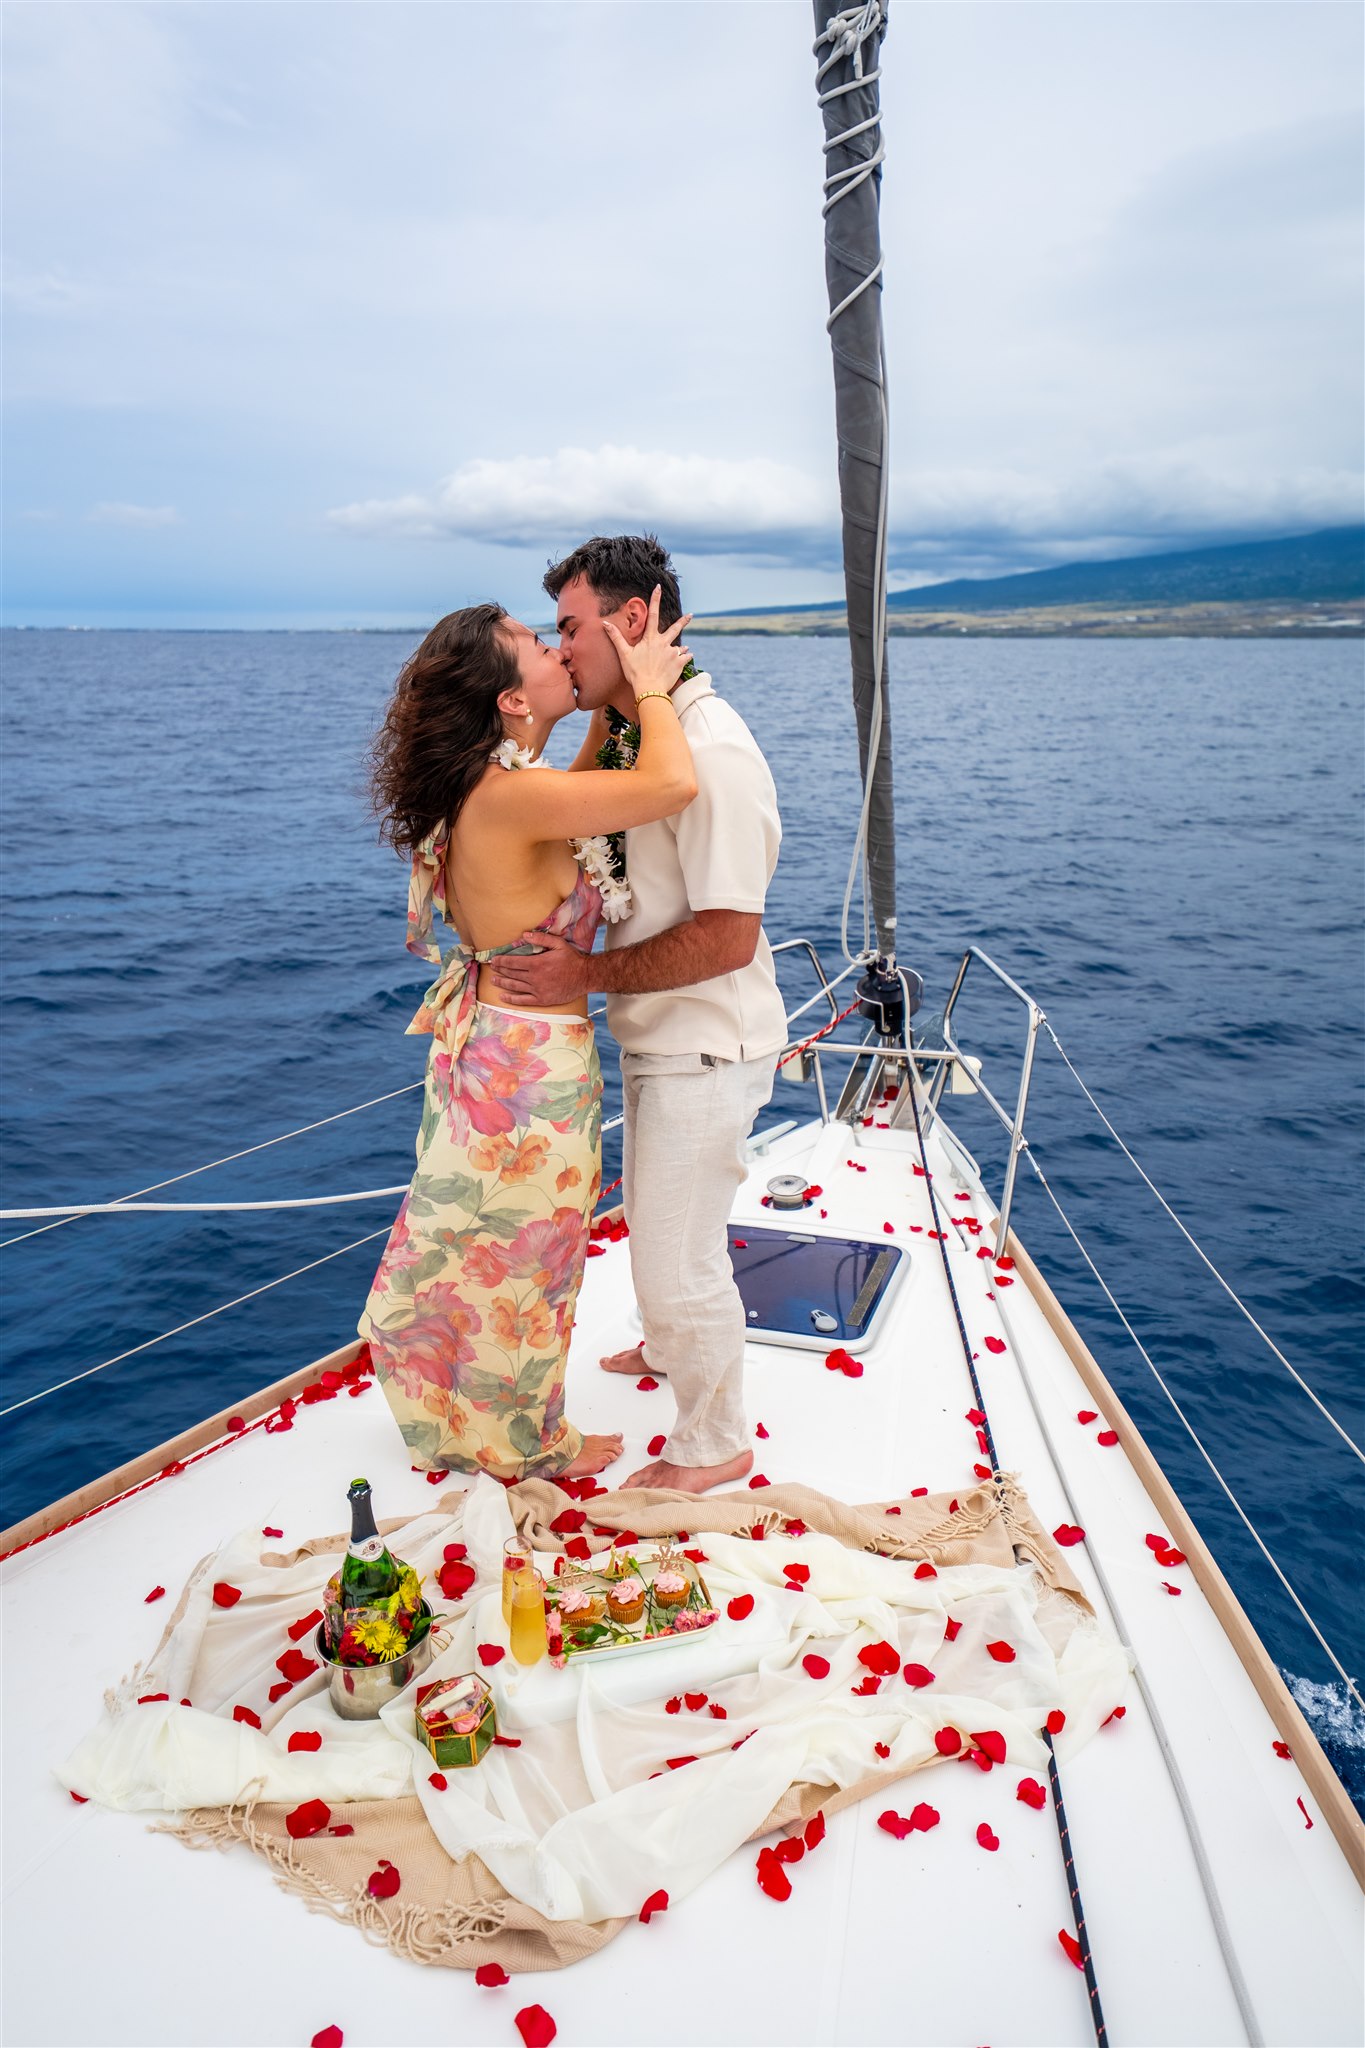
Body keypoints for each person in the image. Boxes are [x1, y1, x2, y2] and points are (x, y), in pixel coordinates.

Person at [359, 591, 697, 1482]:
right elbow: (669, 785)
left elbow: (583, 777)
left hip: (495, 1050)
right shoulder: (512, 797)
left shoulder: (498, 783)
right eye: (536, 645)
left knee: (492, 1250)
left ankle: (477, 1420)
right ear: (510, 698)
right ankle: (530, 1444)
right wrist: (654, 686)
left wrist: (608, 705)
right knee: (529, 1259)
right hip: (527, 1072)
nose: (557, 650)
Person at [496, 534, 788, 1495]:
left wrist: (582, 972)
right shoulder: (636, 736)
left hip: (704, 1046)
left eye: (570, 628)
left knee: (675, 1254)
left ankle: (713, 1444)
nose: (559, 648)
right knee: (662, 1229)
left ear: (632, 622)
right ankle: (670, 1350)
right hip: (660, 1037)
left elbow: (727, 938)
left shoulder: (711, 754)